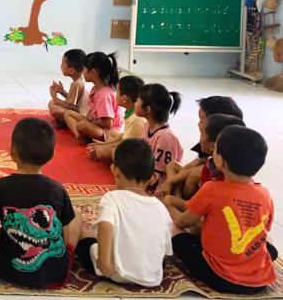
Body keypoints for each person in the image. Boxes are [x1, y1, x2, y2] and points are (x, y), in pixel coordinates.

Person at [172, 126, 278, 294]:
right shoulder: (265, 195)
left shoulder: (212, 189)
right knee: (269, 244)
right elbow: (263, 231)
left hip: (220, 278)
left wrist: (174, 211)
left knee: (176, 233)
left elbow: (183, 221)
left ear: (219, 160)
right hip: (259, 281)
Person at [0, 118, 81, 289]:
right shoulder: (58, 191)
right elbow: (64, 240)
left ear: (12, 153)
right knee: (77, 215)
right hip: (56, 274)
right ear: (52, 155)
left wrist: (8, 236)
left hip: (7, 271)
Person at [76, 139, 173, 287]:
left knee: (84, 234)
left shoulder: (112, 198)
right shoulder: (161, 208)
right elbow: (166, 249)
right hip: (151, 277)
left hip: (115, 273)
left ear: (115, 170)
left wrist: (104, 264)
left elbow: (106, 226)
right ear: (153, 178)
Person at [162, 114, 245, 219]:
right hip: (198, 205)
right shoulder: (210, 164)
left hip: (206, 216)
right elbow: (183, 173)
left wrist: (174, 197)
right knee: (174, 169)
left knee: (168, 201)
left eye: (202, 134)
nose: (200, 137)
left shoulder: (217, 180)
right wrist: (172, 187)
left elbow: (195, 215)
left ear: (212, 146)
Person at [63, 52, 123, 144]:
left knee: (82, 125)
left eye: (84, 69)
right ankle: (80, 136)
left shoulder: (104, 95)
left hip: (109, 132)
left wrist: (91, 120)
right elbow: (92, 111)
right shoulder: (95, 89)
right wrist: (89, 117)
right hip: (96, 124)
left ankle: (84, 136)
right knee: (68, 114)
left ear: (93, 72)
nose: (82, 72)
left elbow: (108, 124)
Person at [87, 75, 145, 165]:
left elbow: (124, 145)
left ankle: (121, 169)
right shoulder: (131, 112)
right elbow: (124, 135)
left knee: (102, 152)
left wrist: (102, 147)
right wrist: (103, 144)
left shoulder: (135, 119)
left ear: (124, 99)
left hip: (133, 153)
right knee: (111, 133)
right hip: (128, 144)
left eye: (117, 92)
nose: (115, 94)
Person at [137, 83, 183, 191]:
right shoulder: (147, 125)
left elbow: (163, 171)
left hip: (159, 181)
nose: (135, 103)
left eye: (137, 100)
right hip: (149, 171)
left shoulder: (165, 136)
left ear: (147, 109)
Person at [48, 48, 87, 126]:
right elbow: (73, 100)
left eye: (62, 64)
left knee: (53, 107)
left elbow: (69, 106)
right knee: (52, 103)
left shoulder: (77, 84)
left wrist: (55, 97)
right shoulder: (81, 79)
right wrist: (62, 91)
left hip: (79, 114)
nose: (60, 66)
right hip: (78, 110)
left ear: (71, 70)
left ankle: (66, 122)